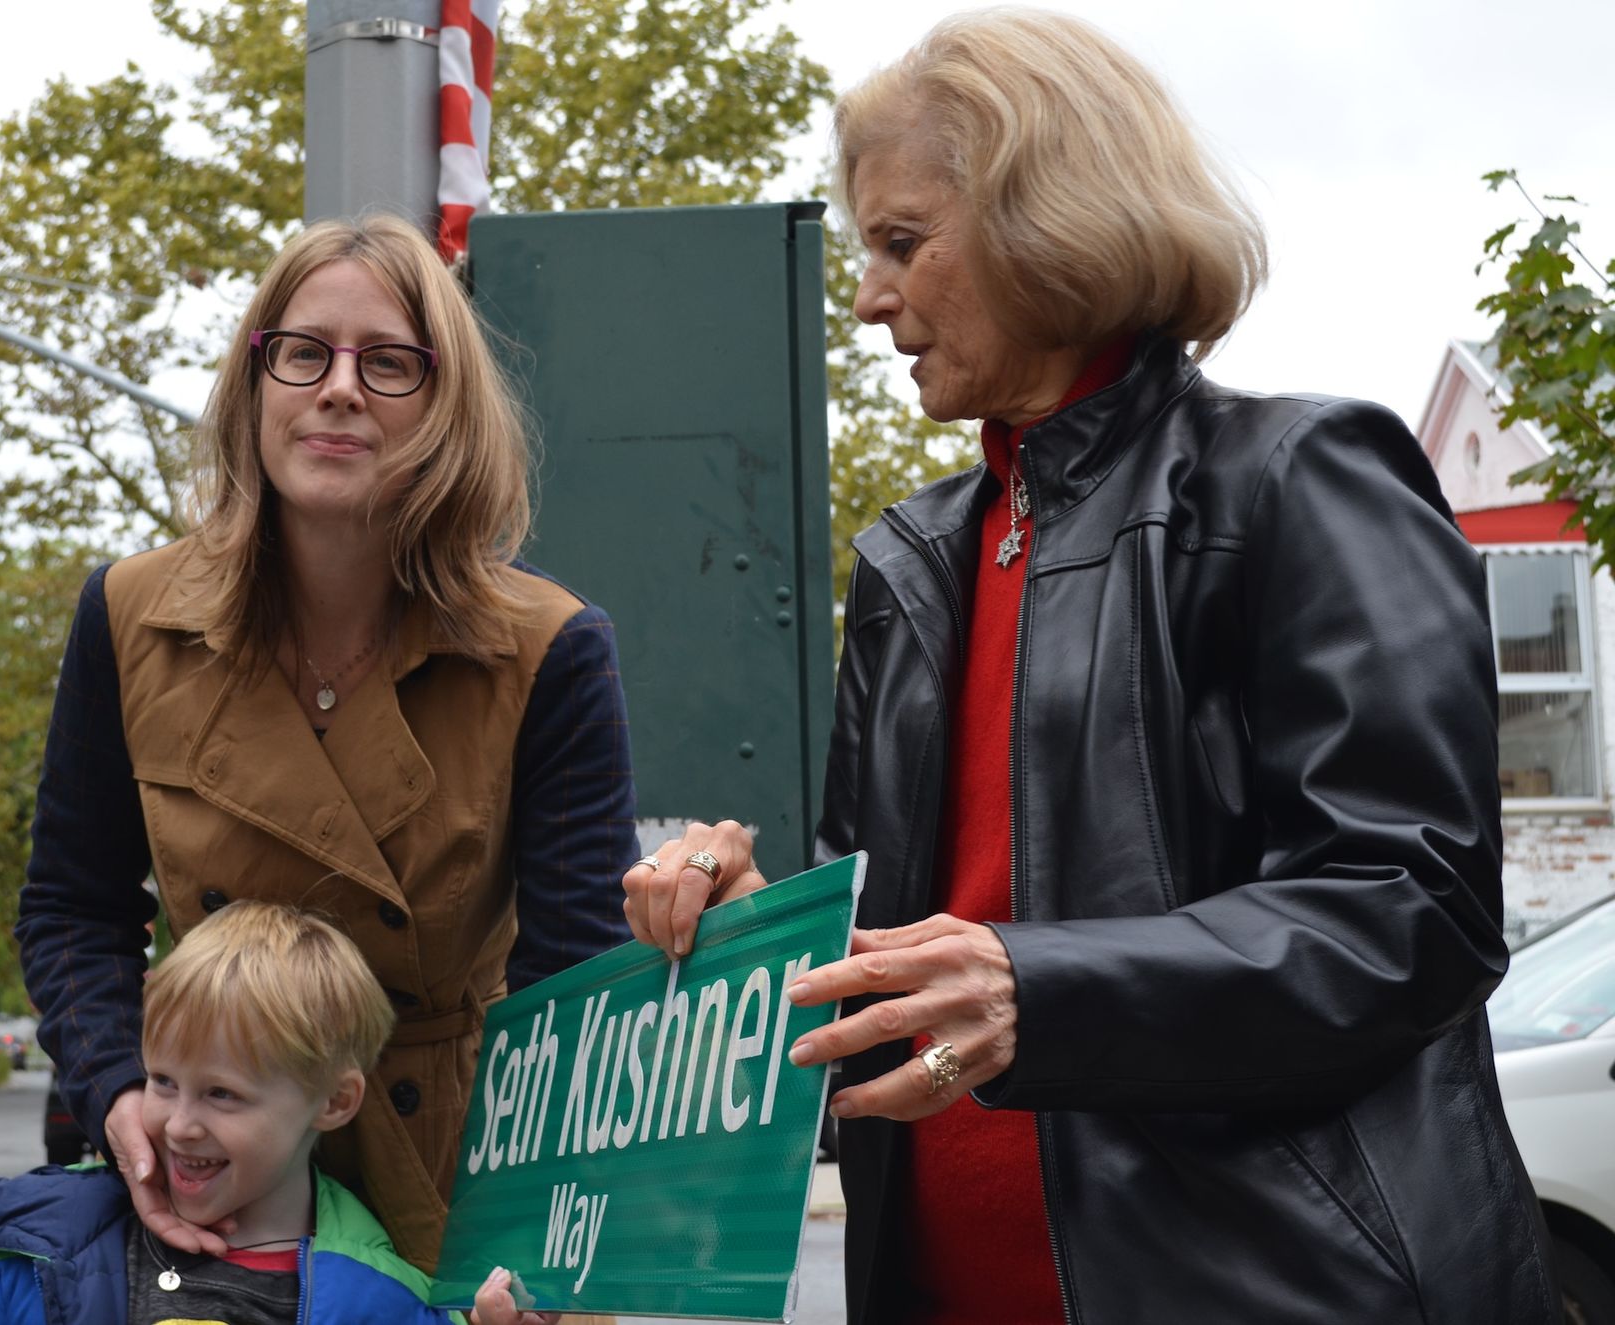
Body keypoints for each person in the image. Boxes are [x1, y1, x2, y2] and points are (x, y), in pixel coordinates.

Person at [624, 10, 1558, 1323]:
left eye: (901, 242)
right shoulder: (912, 562)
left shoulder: (1298, 480)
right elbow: (907, 958)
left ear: (1043, 215)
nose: (869, 296)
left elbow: (1413, 909)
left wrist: (1044, 986)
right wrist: (755, 925)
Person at [18, 213, 636, 1274]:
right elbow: (73, 903)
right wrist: (120, 1084)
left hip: (456, 1177)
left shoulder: (547, 648)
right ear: (256, 383)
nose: (339, 387)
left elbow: (574, 983)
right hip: (198, 1172)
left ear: (445, 408)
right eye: (303, 352)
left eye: (388, 362)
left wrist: (535, 1244)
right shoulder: (126, 612)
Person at [0, 901, 555, 1324]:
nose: (179, 1125)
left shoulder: (384, 1299)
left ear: (335, 1101)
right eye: (163, 1080)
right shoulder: (44, 1256)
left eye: (222, 1094)